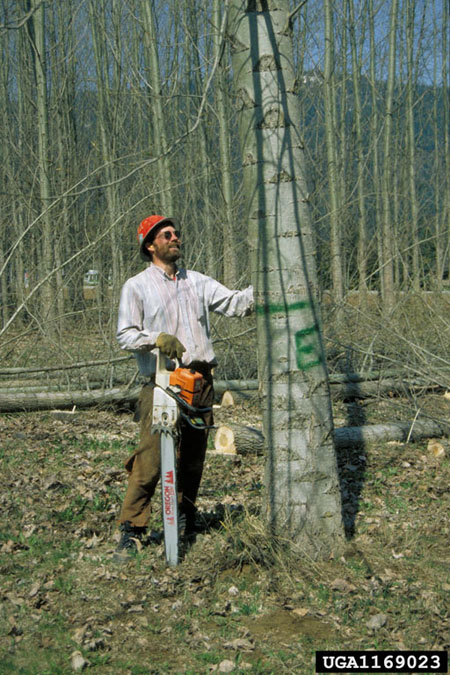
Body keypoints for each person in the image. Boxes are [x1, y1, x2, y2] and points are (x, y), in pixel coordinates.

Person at [114, 214, 254, 559]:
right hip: (162, 381)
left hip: (201, 380)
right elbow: (125, 335)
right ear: (150, 245)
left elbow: (236, 304)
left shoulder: (199, 282)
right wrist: (156, 339)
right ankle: (132, 529)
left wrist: (268, 285)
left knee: (193, 458)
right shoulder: (137, 286)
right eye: (167, 234)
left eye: (176, 233)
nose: (176, 237)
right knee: (150, 458)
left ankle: (184, 516)